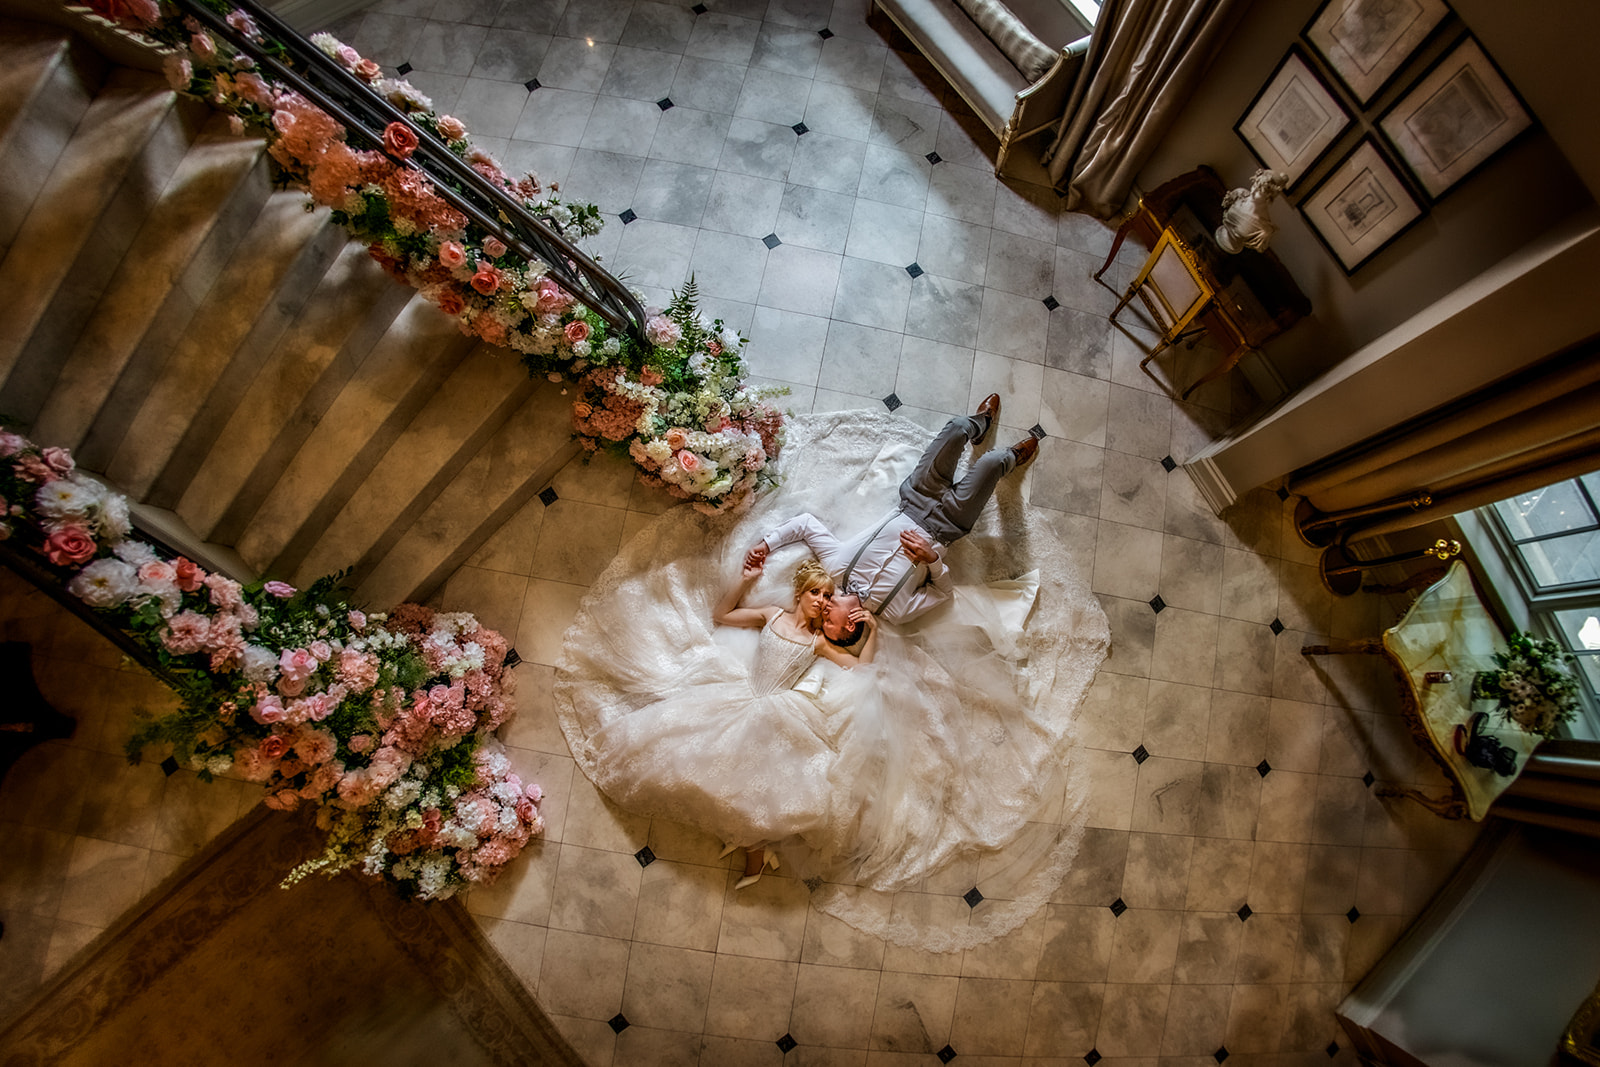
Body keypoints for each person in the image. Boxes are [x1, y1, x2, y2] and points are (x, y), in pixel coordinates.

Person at [573, 556, 880, 889]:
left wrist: (873, 632)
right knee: (692, 755)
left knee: (752, 783)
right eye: (816, 593)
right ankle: (749, 841)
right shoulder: (771, 614)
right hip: (739, 693)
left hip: (776, 712)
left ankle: (754, 847)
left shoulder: (818, 642)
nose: (821, 602)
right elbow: (722, 614)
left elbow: (860, 670)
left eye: (826, 596)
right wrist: (746, 580)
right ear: (800, 594)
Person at [744, 394, 1036, 634]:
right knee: (993, 462)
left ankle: (980, 424)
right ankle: (1010, 458)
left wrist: (766, 544)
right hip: (948, 525)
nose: (826, 609)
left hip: (916, 497)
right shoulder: (896, 612)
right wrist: (931, 559)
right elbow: (942, 593)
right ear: (850, 624)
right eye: (829, 621)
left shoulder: (835, 569)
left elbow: (805, 526)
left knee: (957, 428)